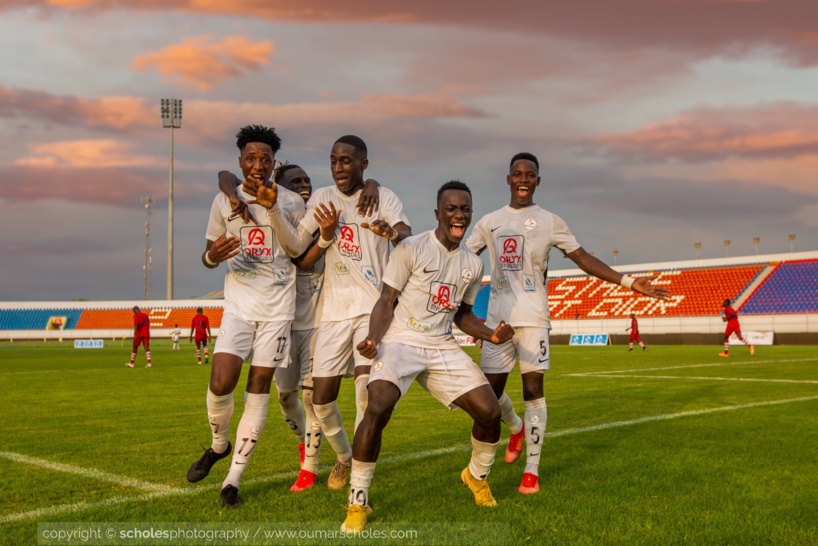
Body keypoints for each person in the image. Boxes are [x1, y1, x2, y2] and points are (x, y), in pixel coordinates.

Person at [465, 152, 671, 495]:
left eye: (530, 174)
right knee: (489, 396)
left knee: (533, 390)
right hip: (498, 321)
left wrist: (629, 282)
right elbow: (462, 259)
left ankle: (531, 470)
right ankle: (515, 427)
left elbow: (583, 259)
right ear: (508, 179)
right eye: (518, 173)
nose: (523, 179)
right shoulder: (490, 222)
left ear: (538, 181)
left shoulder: (550, 221)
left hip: (534, 318)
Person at [341, 181, 515, 532]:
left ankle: (476, 476)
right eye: (451, 209)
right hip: (401, 339)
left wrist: (491, 335)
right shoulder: (411, 248)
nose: (459, 215)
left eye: (465, 209)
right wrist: (373, 338)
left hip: (441, 344)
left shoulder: (472, 264)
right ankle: (358, 500)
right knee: (377, 404)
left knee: (490, 412)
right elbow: (386, 300)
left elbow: (462, 315)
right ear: (438, 214)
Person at [246, 134, 411, 491]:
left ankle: (359, 476)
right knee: (320, 402)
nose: (338, 167)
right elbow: (296, 248)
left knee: (366, 394)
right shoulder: (322, 198)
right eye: (334, 160)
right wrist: (320, 232)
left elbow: (405, 233)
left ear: (363, 164)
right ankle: (344, 456)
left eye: (346, 161)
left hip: (371, 310)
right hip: (332, 314)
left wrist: (390, 232)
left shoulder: (383, 197)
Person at [219, 164, 381, 492]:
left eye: (307, 179)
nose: (304, 185)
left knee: (312, 398)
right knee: (285, 398)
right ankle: (306, 444)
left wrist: (372, 183)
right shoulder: (276, 223)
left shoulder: (323, 219)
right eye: (296, 182)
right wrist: (228, 188)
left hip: (319, 323)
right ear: (279, 190)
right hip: (282, 322)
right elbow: (227, 176)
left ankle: (313, 466)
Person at [185, 124, 304, 509]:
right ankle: (219, 445)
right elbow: (209, 253)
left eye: (265, 159)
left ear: (273, 163)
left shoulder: (291, 202)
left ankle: (232, 481)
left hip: (277, 310)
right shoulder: (224, 200)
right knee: (221, 383)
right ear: (240, 162)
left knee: (258, 388)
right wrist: (211, 257)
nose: (257, 164)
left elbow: (296, 249)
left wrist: (271, 208)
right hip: (238, 307)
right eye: (250, 158)